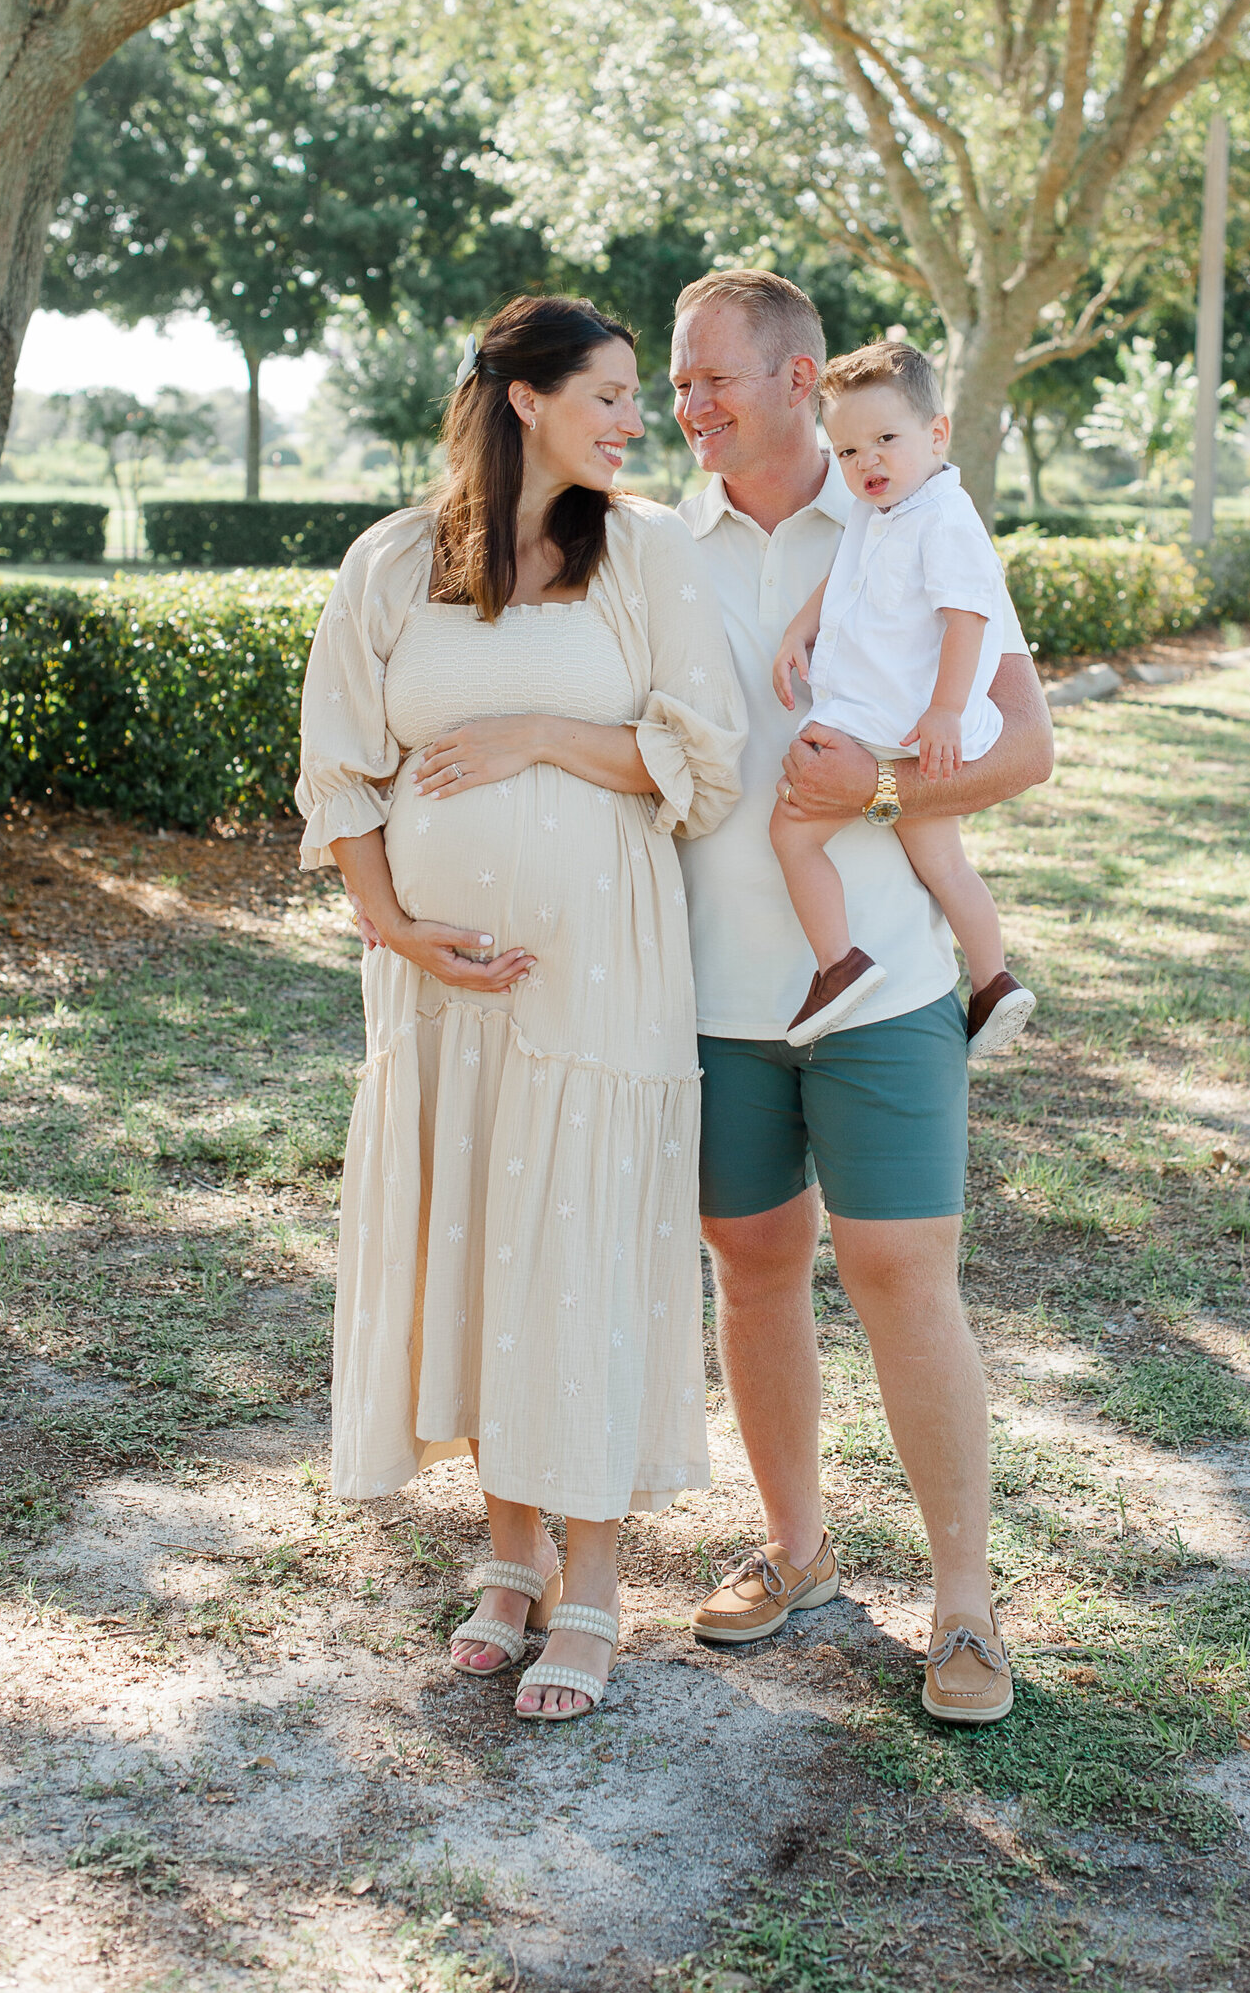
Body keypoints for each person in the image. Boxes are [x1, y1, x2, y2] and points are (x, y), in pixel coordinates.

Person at [296, 295, 746, 1723]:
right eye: (610, 395)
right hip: (438, 993)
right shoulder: (390, 562)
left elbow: (703, 757)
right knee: (486, 1243)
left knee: (586, 1244)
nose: (636, 421)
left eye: (637, 397)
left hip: (602, 978)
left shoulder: (649, 551)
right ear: (524, 399)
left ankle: (597, 1573)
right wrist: (403, 933)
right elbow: (340, 776)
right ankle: (509, 1558)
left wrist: (541, 736)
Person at [670, 270, 1053, 1726]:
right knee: (753, 1268)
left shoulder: (908, 517)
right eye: (682, 384)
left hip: (884, 984)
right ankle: (797, 1551)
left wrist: (888, 785)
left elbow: (1024, 749)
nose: (691, 406)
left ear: (799, 377)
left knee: (903, 1278)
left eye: (715, 379)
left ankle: (965, 1605)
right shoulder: (657, 551)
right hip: (714, 991)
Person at [769, 337, 1035, 1055]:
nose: (868, 463)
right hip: (887, 734)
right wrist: (801, 628)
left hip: (896, 725)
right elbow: (843, 578)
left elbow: (967, 615)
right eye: (848, 451)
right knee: (940, 860)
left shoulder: (945, 517)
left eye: (886, 439)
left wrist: (947, 707)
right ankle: (992, 983)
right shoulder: (874, 514)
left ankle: (839, 964)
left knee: (791, 833)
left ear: (937, 433)